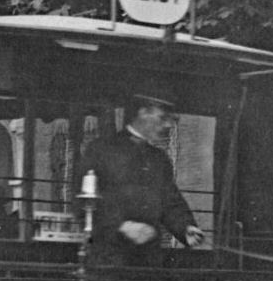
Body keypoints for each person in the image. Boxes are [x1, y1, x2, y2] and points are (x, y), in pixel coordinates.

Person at [79, 94, 206, 265]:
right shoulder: (101, 150)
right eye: (163, 118)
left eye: (171, 120)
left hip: (149, 259)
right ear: (143, 112)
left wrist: (186, 228)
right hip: (108, 259)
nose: (168, 125)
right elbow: (81, 201)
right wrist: (121, 226)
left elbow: (170, 201)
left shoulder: (159, 159)